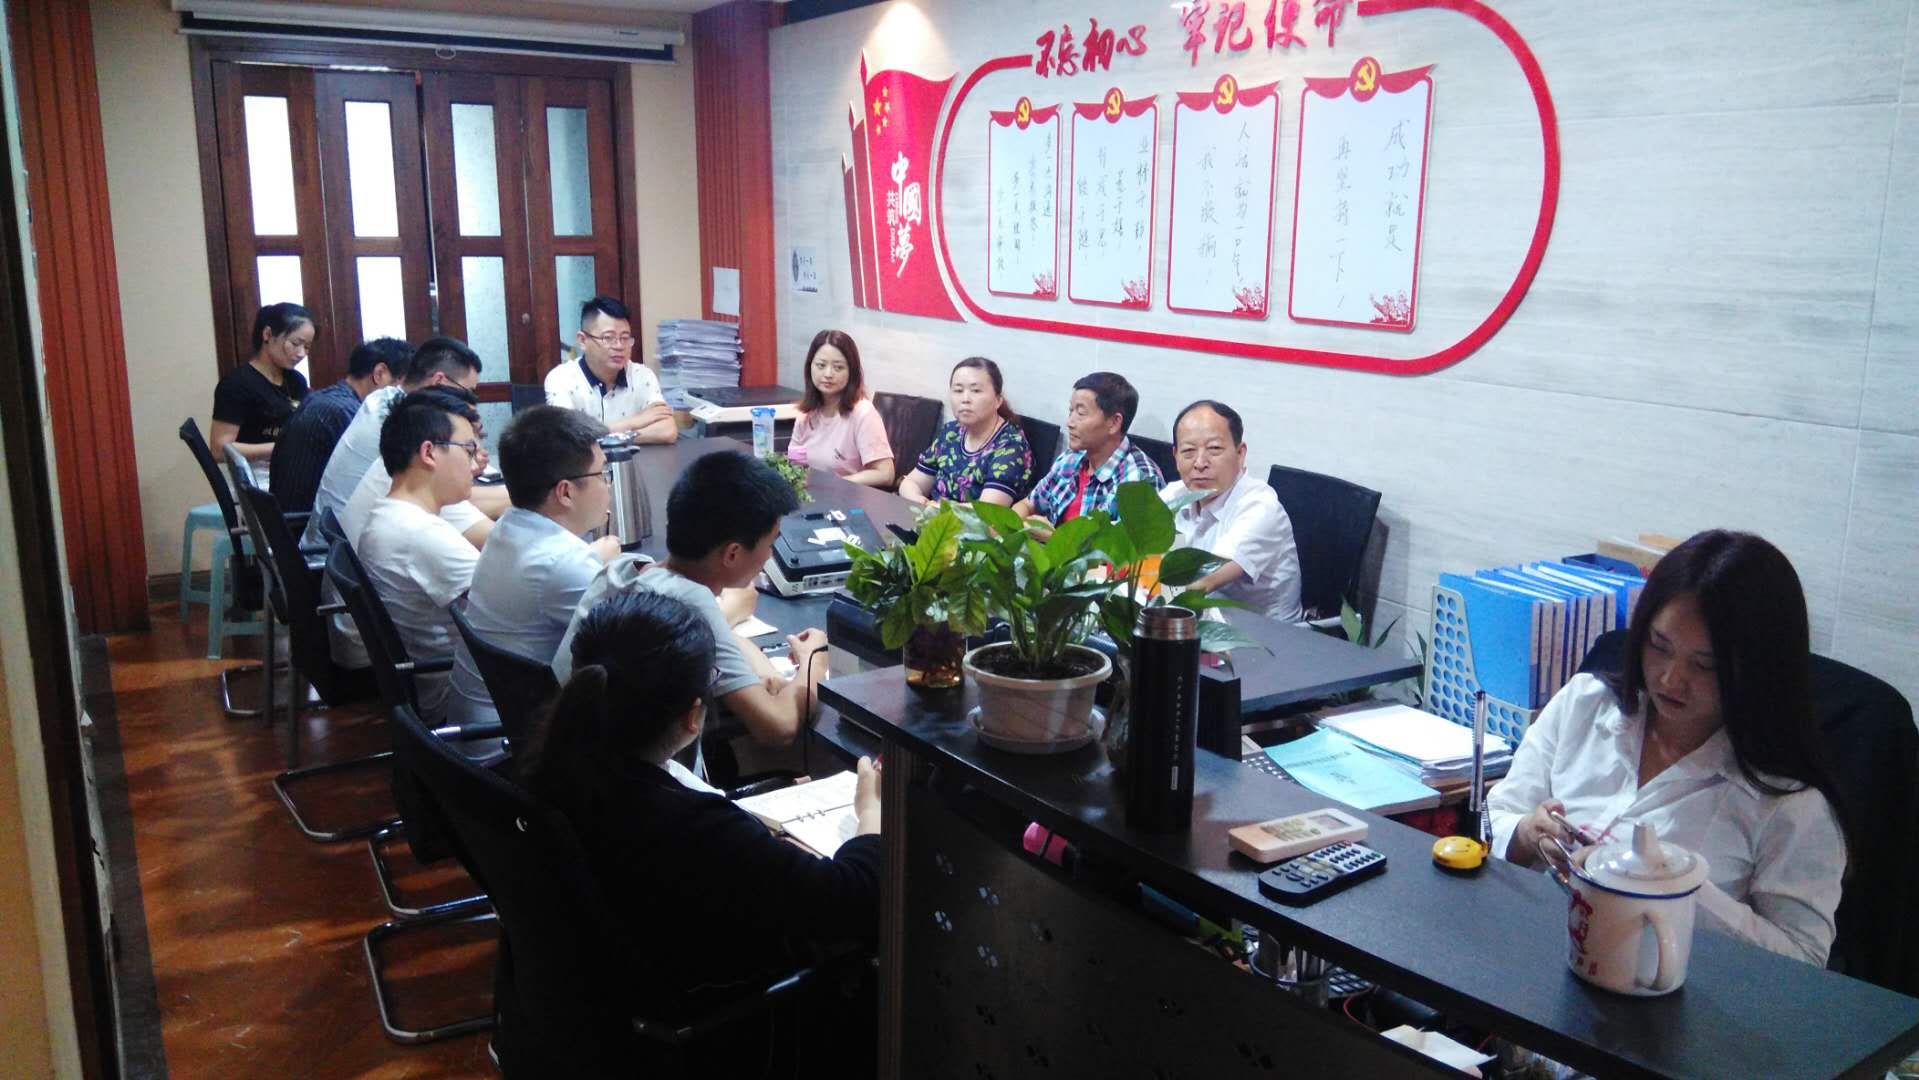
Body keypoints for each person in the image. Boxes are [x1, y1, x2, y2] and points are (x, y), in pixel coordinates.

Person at [512, 590, 879, 1073]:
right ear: (692, 715)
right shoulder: (691, 826)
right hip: (717, 1016)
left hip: (588, 1013)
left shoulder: (551, 766)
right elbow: (853, 902)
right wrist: (872, 814)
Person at [1487, 530, 1849, 966]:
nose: (1670, 679)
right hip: (1524, 955)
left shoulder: (1790, 804)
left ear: (1756, 671)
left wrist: (1684, 891)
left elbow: (1805, 960)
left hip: (1664, 993)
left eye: (1704, 664)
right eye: (1659, 646)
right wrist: (1526, 834)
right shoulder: (1585, 703)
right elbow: (1496, 815)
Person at [556, 450, 826, 757]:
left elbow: (721, 636)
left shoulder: (623, 569)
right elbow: (778, 727)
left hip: (575, 763)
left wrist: (761, 670)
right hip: (644, 778)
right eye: (771, 542)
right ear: (733, 553)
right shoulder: (690, 601)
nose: (770, 554)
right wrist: (813, 660)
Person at [446, 406, 622, 730]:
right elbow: (644, 647)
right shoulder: (563, 563)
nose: (608, 484)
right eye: (602, 474)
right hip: (514, 744)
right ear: (565, 492)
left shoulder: (508, 527)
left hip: (483, 728)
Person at [352, 389, 487, 722]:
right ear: (429, 453)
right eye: (468, 449)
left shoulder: (389, 514)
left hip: (430, 686)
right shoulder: (422, 534)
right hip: (460, 699)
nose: (475, 464)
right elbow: (509, 610)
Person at [302, 335, 494, 549]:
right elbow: (490, 537)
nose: (471, 403)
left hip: (339, 547)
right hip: (330, 553)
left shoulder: (385, 399)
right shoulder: (405, 429)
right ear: (439, 382)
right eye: (469, 393)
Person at [1158, 400, 1303, 624]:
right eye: (1188, 451)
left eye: (1214, 449)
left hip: (1265, 636)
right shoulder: (1174, 495)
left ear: (1240, 453)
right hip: (1195, 623)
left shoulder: (1260, 507)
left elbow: (1201, 582)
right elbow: (1123, 554)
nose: (1200, 463)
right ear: (1176, 457)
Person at [269, 337, 411, 515]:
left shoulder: (324, 398)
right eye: (402, 386)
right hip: (306, 523)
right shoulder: (347, 413)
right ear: (379, 373)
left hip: (286, 516)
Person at [1013, 371, 1162, 527]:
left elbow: (1126, 544)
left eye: (1081, 413)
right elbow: (1027, 504)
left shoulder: (1140, 481)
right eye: (1071, 411)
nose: (1069, 423)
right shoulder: (1070, 459)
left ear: (1114, 423)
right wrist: (1013, 524)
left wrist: (1053, 537)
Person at [898, 357, 1032, 507]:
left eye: (976, 391)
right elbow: (911, 482)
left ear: (998, 400)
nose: (965, 399)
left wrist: (937, 509)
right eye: (958, 390)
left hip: (969, 522)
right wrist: (920, 500)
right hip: (931, 515)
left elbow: (988, 511)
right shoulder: (951, 432)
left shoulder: (1011, 445)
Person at [544, 295, 675, 443]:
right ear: (583, 340)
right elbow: (567, 438)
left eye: (625, 338)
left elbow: (667, 431)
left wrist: (607, 436)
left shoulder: (642, 376)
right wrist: (633, 422)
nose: (619, 346)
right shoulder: (560, 379)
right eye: (608, 338)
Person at [209, 302, 313, 484]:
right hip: (255, 477)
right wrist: (280, 448)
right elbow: (219, 449)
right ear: (267, 334)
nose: (301, 353)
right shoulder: (237, 384)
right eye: (296, 343)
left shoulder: (296, 381)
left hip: (292, 468)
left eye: (307, 347)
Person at [787, 329, 895, 487]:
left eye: (838, 367)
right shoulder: (806, 414)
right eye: (821, 365)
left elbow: (886, 474)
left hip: (848, 496)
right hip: (811, 494)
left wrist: (836, 484)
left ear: (852, 372)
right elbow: (795, 465)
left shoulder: (863, 413)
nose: (828, 374)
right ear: (810, 367)